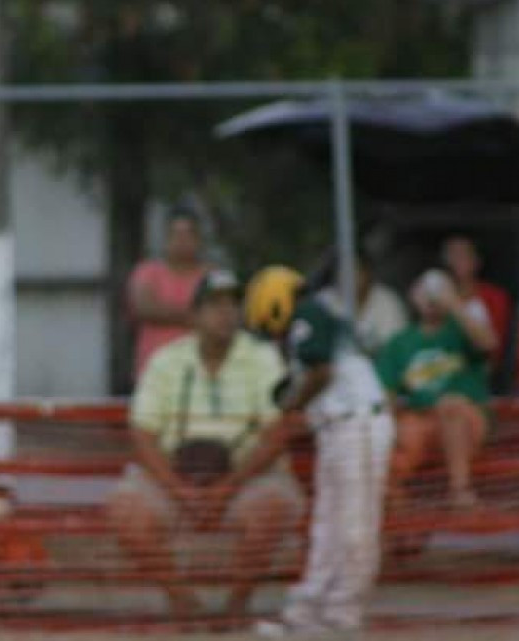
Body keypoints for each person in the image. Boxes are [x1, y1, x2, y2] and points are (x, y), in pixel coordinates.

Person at [107, 269, 303, 617]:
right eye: (214, 305)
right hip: (175, 475)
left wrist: (228, 487)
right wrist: (178, 489)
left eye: (232, 304)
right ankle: (181, 600)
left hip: (246, 476)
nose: (226, 313)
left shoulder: (263, 358)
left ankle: (236, 606)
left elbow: (277, 433)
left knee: (269, 508)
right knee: (126, 510)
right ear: (194, 315)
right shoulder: (166, 360)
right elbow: (142, 433)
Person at [242, 266, 394, 636]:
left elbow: (322, 372)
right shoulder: (313, 319)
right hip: (336, 428)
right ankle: (308, 614)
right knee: (327, 526)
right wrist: (288, 399)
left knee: (354, 526)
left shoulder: (308, 311)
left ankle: (342, 615)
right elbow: (303, 376)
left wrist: (290, 406)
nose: (273, 337)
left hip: (356, 423)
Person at [377, 268, 499, 510]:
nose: (431, 296)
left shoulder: (461, 328)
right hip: (422, 420)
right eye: (425, 289)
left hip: (467, 420)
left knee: (450, 405)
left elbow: (489, 343)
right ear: (413, 295)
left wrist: (453, 303)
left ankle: (460, 492)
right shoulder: (400, 342)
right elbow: (386, 394)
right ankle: (401, 528)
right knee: (398, 438)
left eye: (438, 288)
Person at [127, 212, 210, 380]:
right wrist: (193, 315)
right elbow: (143, 308)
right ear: (166, 240)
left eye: (187, 235)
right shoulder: (147, 271)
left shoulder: (210, 275)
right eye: (176, 235)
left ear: (198, 240)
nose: (181, 241)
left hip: (200, 371)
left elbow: (216, 316)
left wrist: (164, 311)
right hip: (152, 371)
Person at [318, 249, 407, 356]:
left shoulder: (388, 301)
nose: (348, 277)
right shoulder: (322, 302)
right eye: (341, 271)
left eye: (355, 270)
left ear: (368, 272)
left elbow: (395, 349)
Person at [442, 235, 511, 367]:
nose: (456, 261)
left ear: (477, 261)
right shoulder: (437, 296)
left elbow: (495, 346)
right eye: (451, 255)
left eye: (463, 255)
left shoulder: (495, 297)